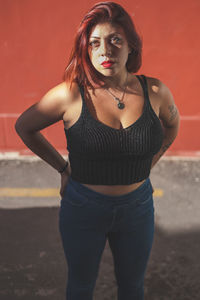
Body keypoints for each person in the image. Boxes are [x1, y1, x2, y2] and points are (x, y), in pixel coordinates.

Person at [15, 1, 180, 299]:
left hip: (138, 207)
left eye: (115, 40)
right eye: (94, 43)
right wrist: (63, 168)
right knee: (80, 288)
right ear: (86, 49)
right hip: (83, 207)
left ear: (131, 46)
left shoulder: (155, 92)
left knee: (132, 288)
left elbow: (172, 125)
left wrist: (149, 162)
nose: (105, 50)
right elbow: (25, 126)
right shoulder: (70, 94)